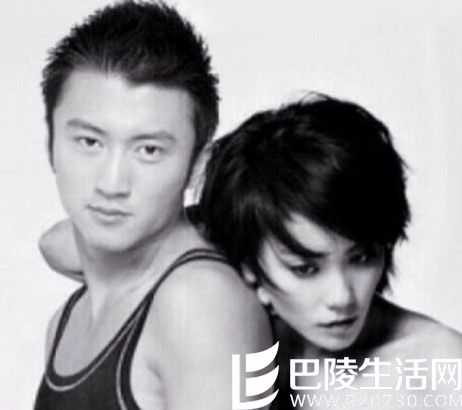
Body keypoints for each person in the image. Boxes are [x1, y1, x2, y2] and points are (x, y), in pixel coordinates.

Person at [34, 2, 273, 409]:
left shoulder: (201, 303)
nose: (112, 184)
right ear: (51, 144)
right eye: (89, 142)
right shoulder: (68, 321)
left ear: (196, 166)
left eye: (148, 150)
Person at [198, 94, 462, 408]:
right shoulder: (226, 342)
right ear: (249, 268)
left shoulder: (439, 369)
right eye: (305, 268)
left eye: (361, 258)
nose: (342, 297)